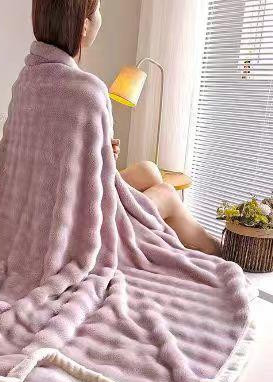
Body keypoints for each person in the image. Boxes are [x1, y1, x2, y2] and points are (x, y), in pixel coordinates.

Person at [32, 0, 220, 256]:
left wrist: (102, 152)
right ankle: (218, 251)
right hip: (75, 220)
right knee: (166, 192)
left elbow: (57, 156)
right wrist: (102, 157)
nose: (100, 17)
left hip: (49, 202)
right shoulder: (87, 90)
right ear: (84, 26)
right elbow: (87, 175)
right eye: (98, 10)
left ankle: (166, 241)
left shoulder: (31, 81)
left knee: (148, 170)